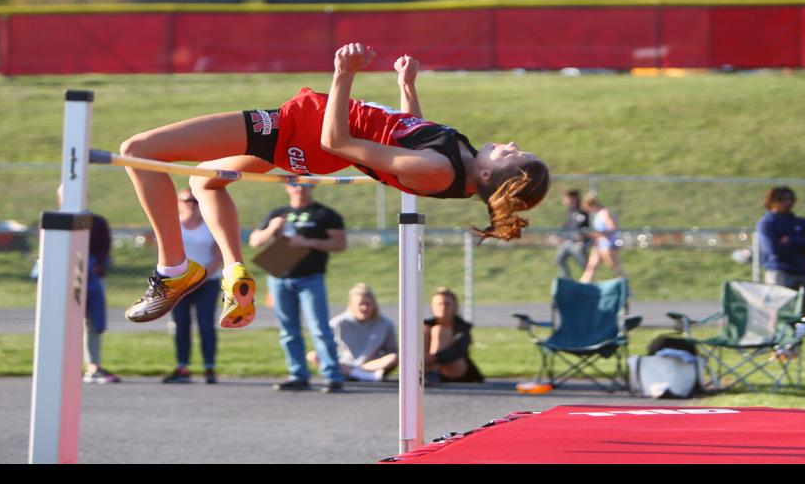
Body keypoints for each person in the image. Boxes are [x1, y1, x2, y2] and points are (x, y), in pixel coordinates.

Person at [117, 41, 548, 334]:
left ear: (491, 177)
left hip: (303, 131)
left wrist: (344, 74)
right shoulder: (455, 160)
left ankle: (173, 269)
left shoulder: (438, 168)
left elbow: (338, 143)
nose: (509, 144)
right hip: (305, 130)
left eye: (512, 154)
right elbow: (406, 132)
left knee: (139, 149)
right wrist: (406, 87)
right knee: (205, 181)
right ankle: (233, 270)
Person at [249, 184, 346, 393]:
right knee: (288, 331)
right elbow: (254, 241)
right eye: (294, 183)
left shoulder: (323, 214)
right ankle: (298, 374)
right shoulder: (278, 213)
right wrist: (271, 229)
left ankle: (331, 375)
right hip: (279, 277)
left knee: (319, 328)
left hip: (310, 277)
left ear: (313, 185)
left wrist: (308, 241)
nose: (299, 188)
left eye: (304, 183)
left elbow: (339, 243)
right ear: (286, 186)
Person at [163, 188, 223, 383]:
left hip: (206, 282)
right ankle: (182, 366)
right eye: (187, 200)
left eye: (195, 201)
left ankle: (209, 367)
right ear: (179, 203)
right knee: (181, 324)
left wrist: (202, 276)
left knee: (206, 325)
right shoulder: (173, 225)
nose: (191, 204)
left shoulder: (210, 225)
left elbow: (218, 255)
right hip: (179, 282)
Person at [757, 185, 805, 316]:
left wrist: (792, 240)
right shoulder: (768, 222)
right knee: (779, 313)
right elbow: (774, 248)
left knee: (801, 315)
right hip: (780, 272)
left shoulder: (800, 222)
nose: (788, 203)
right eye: (783, 199)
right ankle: (776, 336)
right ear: (773, 201)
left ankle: (798, 336)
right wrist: (802, 244)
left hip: (802, 271)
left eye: (790, 199)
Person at [80, 201, 120, 384]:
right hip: (63, 280)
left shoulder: (97, 222)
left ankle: (93, 365)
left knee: (93, 321)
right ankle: (61, 365)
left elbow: (104, 248)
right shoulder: (55, 222)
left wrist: (95, 267)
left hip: (92, 279)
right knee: (64, 324)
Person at [328, 282, 399, 382]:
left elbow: (392, 351)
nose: (364, 308)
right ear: (351, 305)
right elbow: (329, 349)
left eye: (368, 304)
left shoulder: (385, 324)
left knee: (393, 358)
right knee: (315, 355)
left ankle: (355, 373)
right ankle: (359, 374)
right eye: (361, 304)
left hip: (370, 365)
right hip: (345, 364)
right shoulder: (338, 323)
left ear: (374, 305)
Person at [424, 287, 484, 384]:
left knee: (439, 330)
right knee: (423, 329)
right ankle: (423, 373)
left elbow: (459, 349)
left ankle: (432, 373)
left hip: (456, 368)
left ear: (455, 307)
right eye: (439, 304)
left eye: (447, 304)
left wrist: (434, 358)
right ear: (432, 306)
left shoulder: (462, 327)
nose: (443, 307)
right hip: (427, 364)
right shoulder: (426, 325)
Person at [579, 193, 622, 283]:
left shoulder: (604, 213)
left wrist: (597, 234)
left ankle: (627, 289)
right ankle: (581, 288)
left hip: (607, 245)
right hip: (599, 245)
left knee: (615, 268)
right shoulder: (598, 214)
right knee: (590, 268)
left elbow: (611, 228)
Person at [550, 189, 590, 279]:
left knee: (584, 265)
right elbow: (566, 226)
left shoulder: (582, 211)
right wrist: (558, 236)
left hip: (578, 243)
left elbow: (580, 228)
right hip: (568, 242)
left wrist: (573, 236)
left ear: (573, 198)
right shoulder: (571, 211)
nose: (564, 200)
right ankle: (567, 281)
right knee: (559, 259)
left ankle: (588, 283)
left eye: (566, 198)